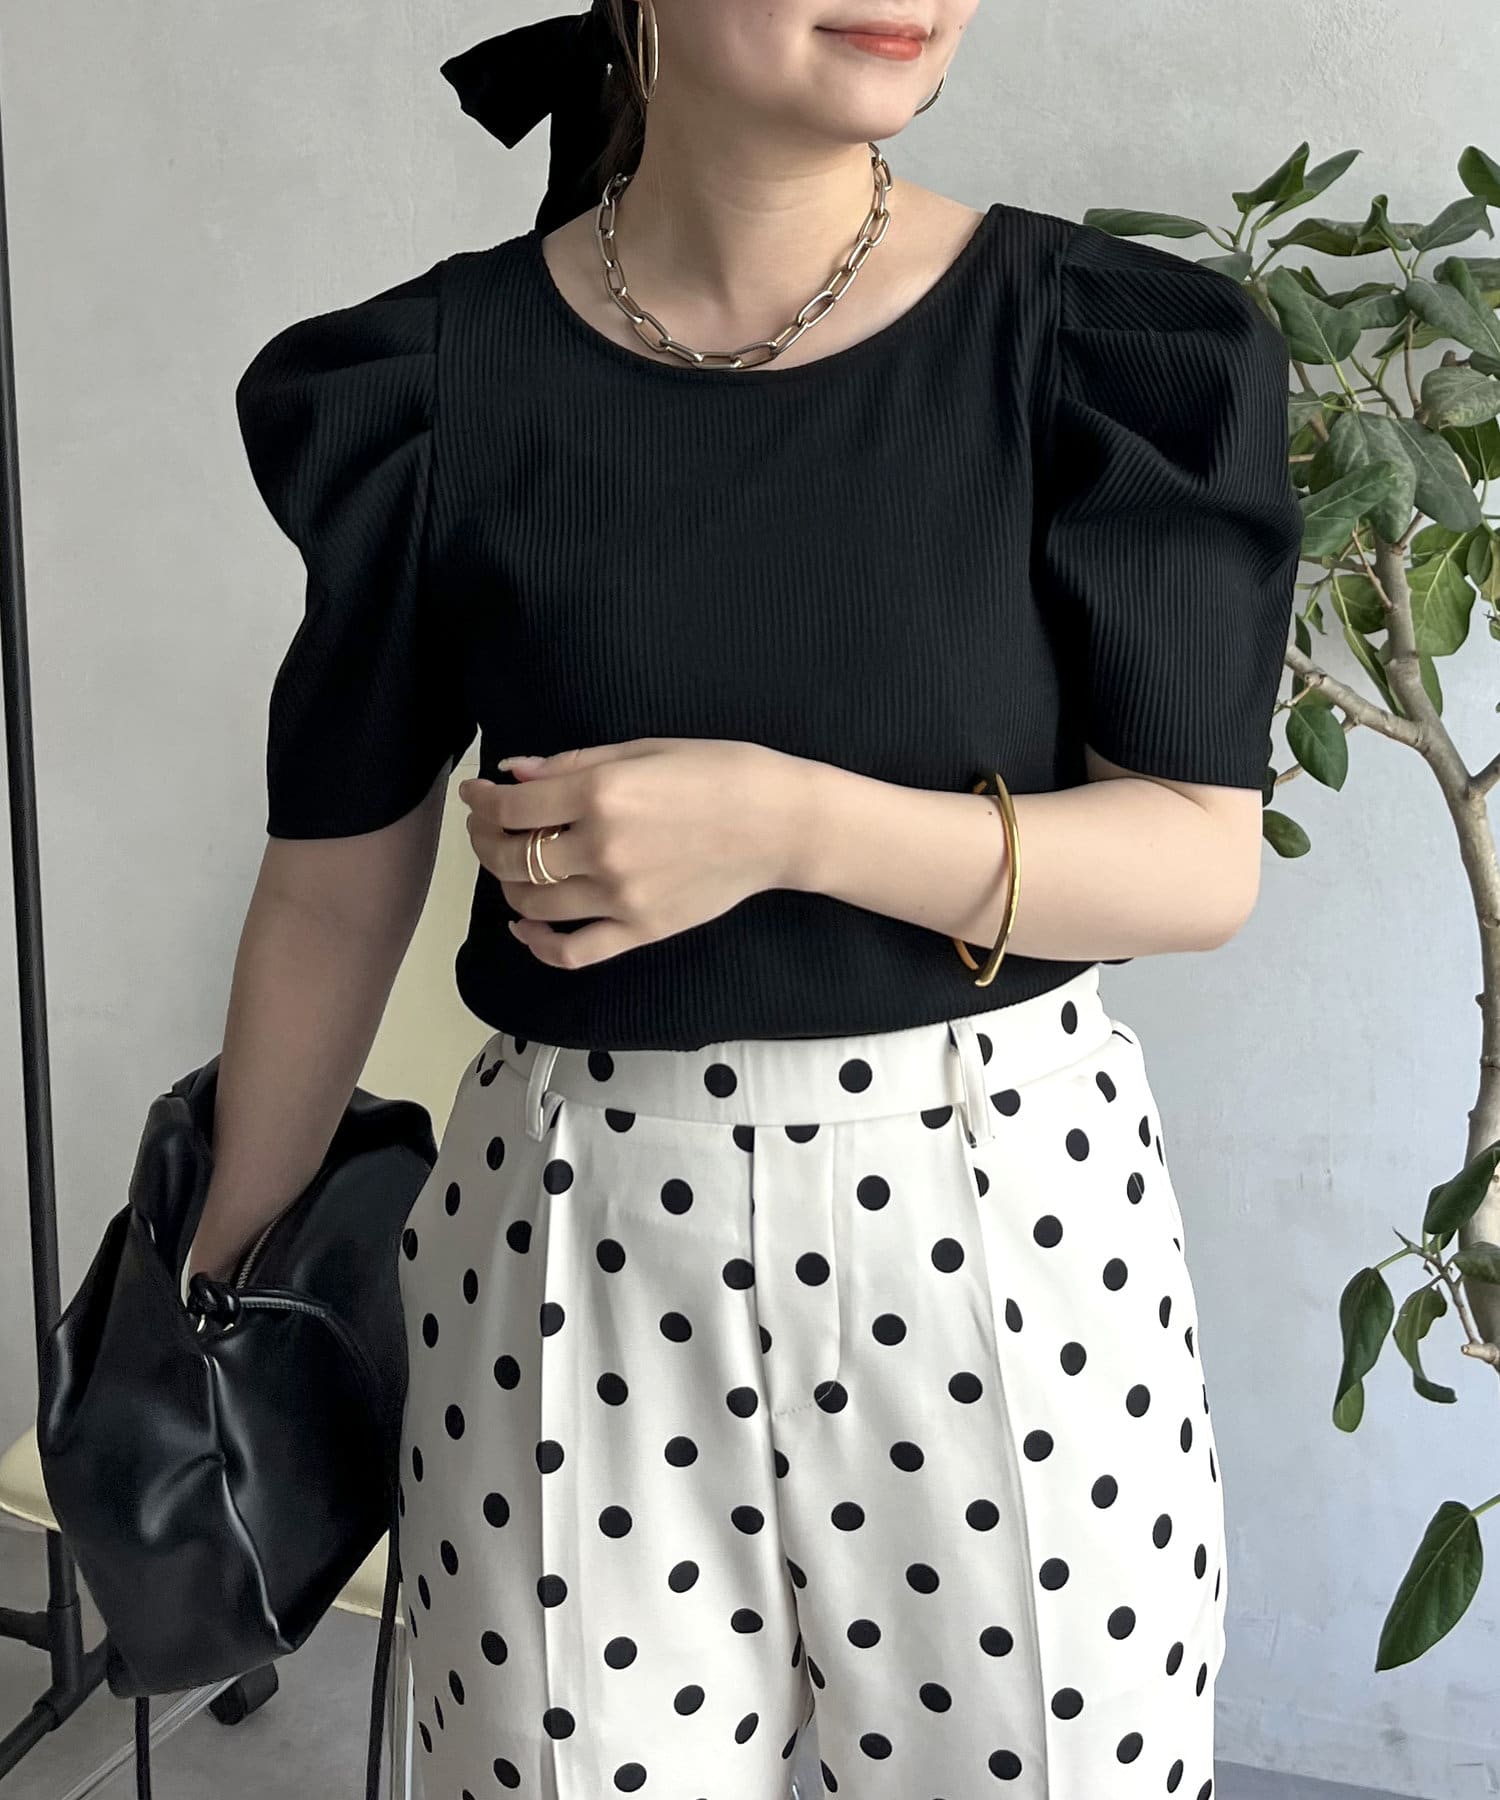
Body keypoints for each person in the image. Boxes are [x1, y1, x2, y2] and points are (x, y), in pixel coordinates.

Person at [193, 0, 1305, 1794]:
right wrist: (216, 1290)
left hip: (1006, 1235)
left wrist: (789, 824)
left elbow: (1196, 853)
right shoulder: (426, 382)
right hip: (566, 1254)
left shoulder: (1106, 346)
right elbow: (333, 888)